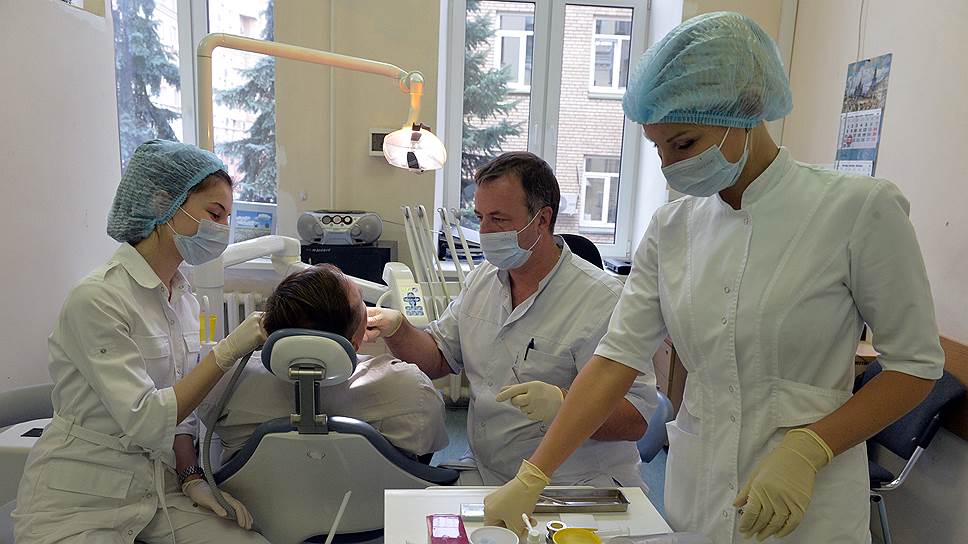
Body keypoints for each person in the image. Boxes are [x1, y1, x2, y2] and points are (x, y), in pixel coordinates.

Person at [482, 12, 944, 543]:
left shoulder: (856, 210)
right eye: (657, 147)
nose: (668, 166)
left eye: (683, 144)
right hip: (697, 491)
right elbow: (614, 360)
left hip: (806, 502)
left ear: (746, 110)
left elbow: (916, 366)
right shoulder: (672, 228)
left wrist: (811, 447)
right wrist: (533, 476)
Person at [13, 140, 269, 543]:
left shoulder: (185, 300)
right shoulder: (97, 299)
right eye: (214, 213)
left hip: (158, 494)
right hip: (80, 503)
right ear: (163, 203)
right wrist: (226, 351)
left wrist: (191, 476)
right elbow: (148, 419)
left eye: (227, 218)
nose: (222, 229)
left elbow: (181, 412)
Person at [366, 151, 656, 489]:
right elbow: (438, 358)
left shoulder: (602, 300)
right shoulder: (482, 280)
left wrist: (564, 404)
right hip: (488, 469)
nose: (485, 232)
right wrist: (397, 327)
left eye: (499, 219)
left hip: (574, 482)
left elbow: (636, 420)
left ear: (542, 219)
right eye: (480, 217)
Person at [198, 263, 449, 464]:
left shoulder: (223, 385)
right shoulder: (413, 391)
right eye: (362, 301)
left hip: (258, 510)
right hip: (370, 510)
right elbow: (423, 454)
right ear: (354, 342)